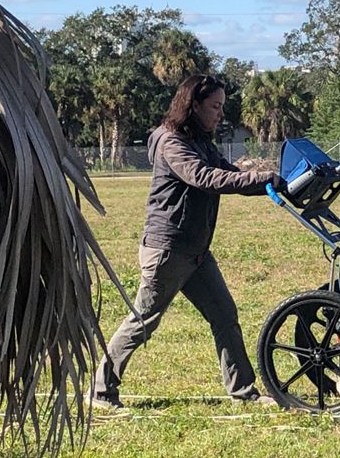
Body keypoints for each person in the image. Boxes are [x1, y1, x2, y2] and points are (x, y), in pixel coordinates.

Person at [93, 74, 286, 412]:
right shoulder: (172, 142)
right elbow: (205, 178)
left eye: (222, 107)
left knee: (224, 314)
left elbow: (228, 171)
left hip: (195, 252)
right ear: (193, 104)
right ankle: (101, 391)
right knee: (144, 321)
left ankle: (243, 391)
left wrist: (273, 183)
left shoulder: (201, 141)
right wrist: (260, 178)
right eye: (214, 106)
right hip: (167, 250)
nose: (219, 114)